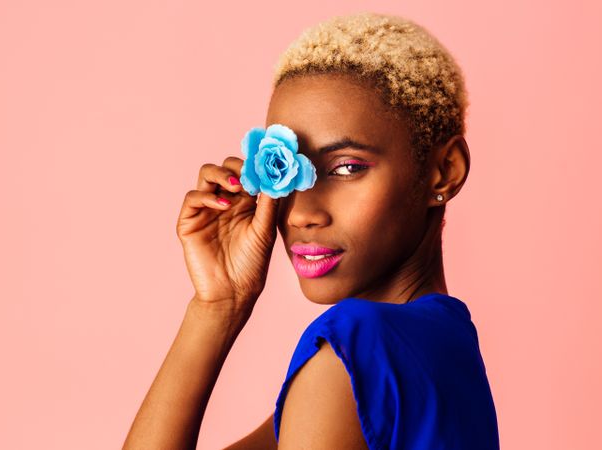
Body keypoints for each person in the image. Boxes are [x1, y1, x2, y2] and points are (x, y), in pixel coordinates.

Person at [122, 12, 499, 449]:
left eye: (346, 168)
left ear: (443, 171)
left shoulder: (355, 349)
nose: (301, 213)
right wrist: (219, 304)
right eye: (287, 172)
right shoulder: (443, 348)